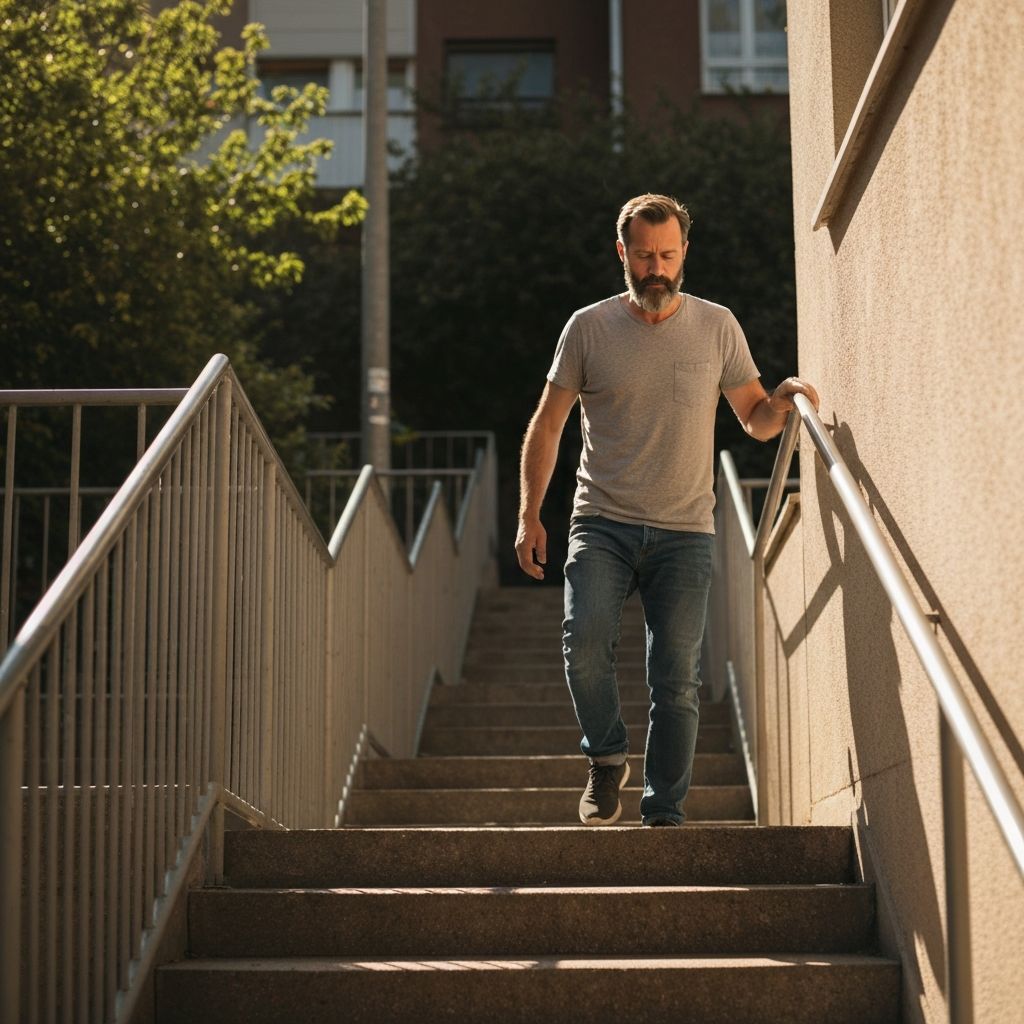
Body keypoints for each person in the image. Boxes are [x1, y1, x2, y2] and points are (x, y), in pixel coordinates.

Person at [514, 193, 819, 827]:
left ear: (684, 254)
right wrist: (529, 515)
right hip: (601, 519)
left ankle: (664, 813)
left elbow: (755, 418)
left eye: (669, 255)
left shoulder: (717, 326)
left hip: (686, 530)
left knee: (676, 678)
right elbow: (547, 427)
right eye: (646, 256)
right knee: (583, 644)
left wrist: (783, 398)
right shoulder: (589, 328)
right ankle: (605, 759)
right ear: (622, 253)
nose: (658, 268)